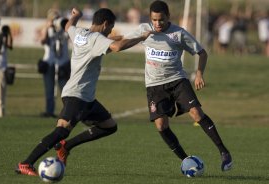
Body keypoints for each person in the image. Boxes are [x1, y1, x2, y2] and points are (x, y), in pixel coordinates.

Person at [15, 7, 153, 176]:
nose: (110, 31)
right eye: (110, 28)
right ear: (105, 24)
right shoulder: (96, 39)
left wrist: (76, 16)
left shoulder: (80, 33)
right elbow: (117, 47)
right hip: (76, 95)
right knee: (61, 130)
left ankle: (66, 146)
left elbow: (68, 27)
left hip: (87, 98)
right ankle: (26, 163)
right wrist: (141, 37)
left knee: (109, 126)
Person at [125, 0, 232, 171]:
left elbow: (202, 53)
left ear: (168, 17)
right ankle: (186, 161)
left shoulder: (179, 34)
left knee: (196, 113)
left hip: (177, 80)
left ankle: (224, 152)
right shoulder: (144, 31)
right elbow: (124, 40)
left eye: (161, 19)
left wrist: (199, 74)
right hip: (154, 85)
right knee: (161, 125)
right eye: (154, 20)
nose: (157, 23)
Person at [39, 9, 70, 118]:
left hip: (63, 62)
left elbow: (70, 37)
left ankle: (67, 111)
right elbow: (42, 40)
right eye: (53, 19)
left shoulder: (64, 29)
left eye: (57, 18)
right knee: (49, 89)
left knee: (65, 89)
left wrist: (63, 26)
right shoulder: (47, 29)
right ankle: (49, 111)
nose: (55, 21)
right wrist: (48, 28)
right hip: (49, 62)